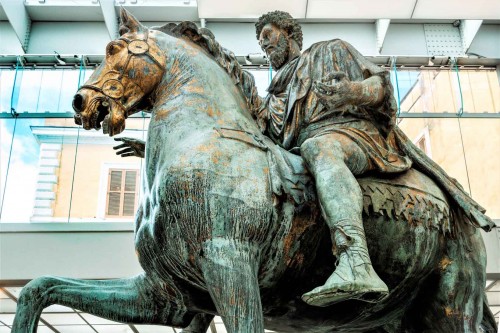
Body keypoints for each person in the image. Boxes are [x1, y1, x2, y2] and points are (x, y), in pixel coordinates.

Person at [250, 10, 416, 307]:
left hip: (352, 135)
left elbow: (379, 88)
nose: (263, 45)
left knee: (319, 148)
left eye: (267, 35)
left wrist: (352, 92)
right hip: (305, 150)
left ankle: (356, 260)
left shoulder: (330, 50)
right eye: (260, 42)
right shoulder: (275, 95)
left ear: (288, 33)